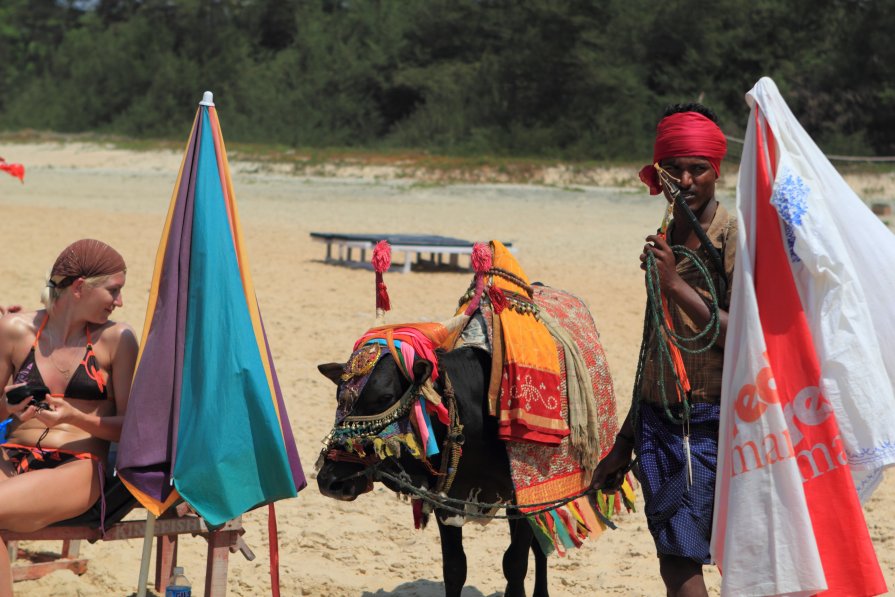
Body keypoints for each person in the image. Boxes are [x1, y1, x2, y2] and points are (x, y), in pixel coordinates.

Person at [592, 103, 735, 597]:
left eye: (697, 169)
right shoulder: (663, 239)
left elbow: (746, 339)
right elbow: (655, 346)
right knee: (675, 558)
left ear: (718, 172)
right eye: (672, 169)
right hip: (659, 422)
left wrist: (674, 284)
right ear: (658, 174)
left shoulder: (734, 238)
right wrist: (624, 442)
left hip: (716, 422)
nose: (685, 180)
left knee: (711, 560)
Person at [0, 239, 137, 596]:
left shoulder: (116, 340)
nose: (119, 302)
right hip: (11, 455)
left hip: (77, 464)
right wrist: (9, 408)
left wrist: (77, 418)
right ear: (80, 287)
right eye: (114, 290)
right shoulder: (14, 330)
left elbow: (132, 430)